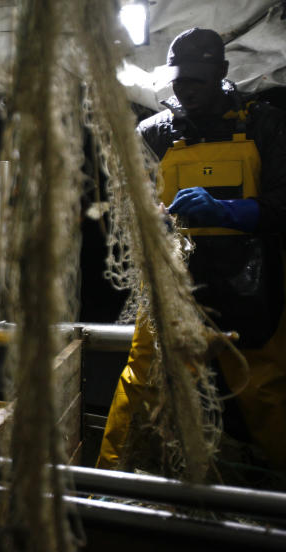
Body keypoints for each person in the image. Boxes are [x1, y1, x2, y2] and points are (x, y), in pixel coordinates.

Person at [97, 27, 286, 472]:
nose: (187, 89)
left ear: (222, 72)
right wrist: (149, 220)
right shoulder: (154, 132)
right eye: (181, 79)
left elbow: (284, 204)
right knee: (144, 378)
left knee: (264, 389)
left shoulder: (265, 123)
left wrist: (226, 211)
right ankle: (110, 484)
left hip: (252, 282)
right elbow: (128, 205)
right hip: (174, 278)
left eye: (199, 79)